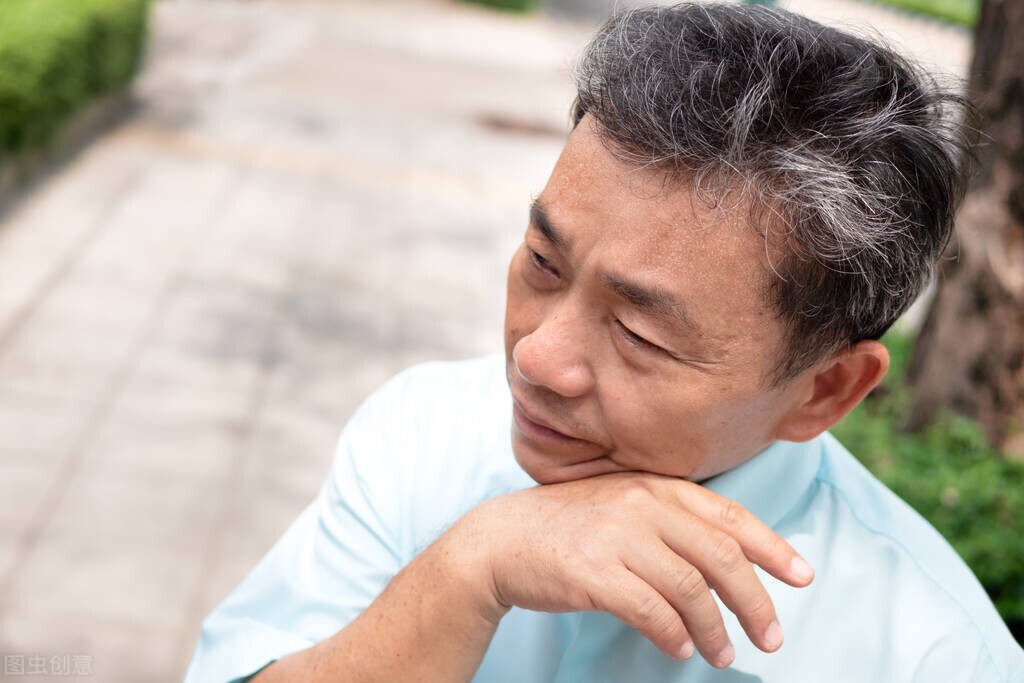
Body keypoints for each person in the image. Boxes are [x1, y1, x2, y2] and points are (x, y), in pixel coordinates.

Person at [184, 4, 1024, 682]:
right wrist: (466, 570)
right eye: (544, 263)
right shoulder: (422, 433)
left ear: (826, 391)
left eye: (638, 332)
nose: (536, 359)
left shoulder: (928, 653)